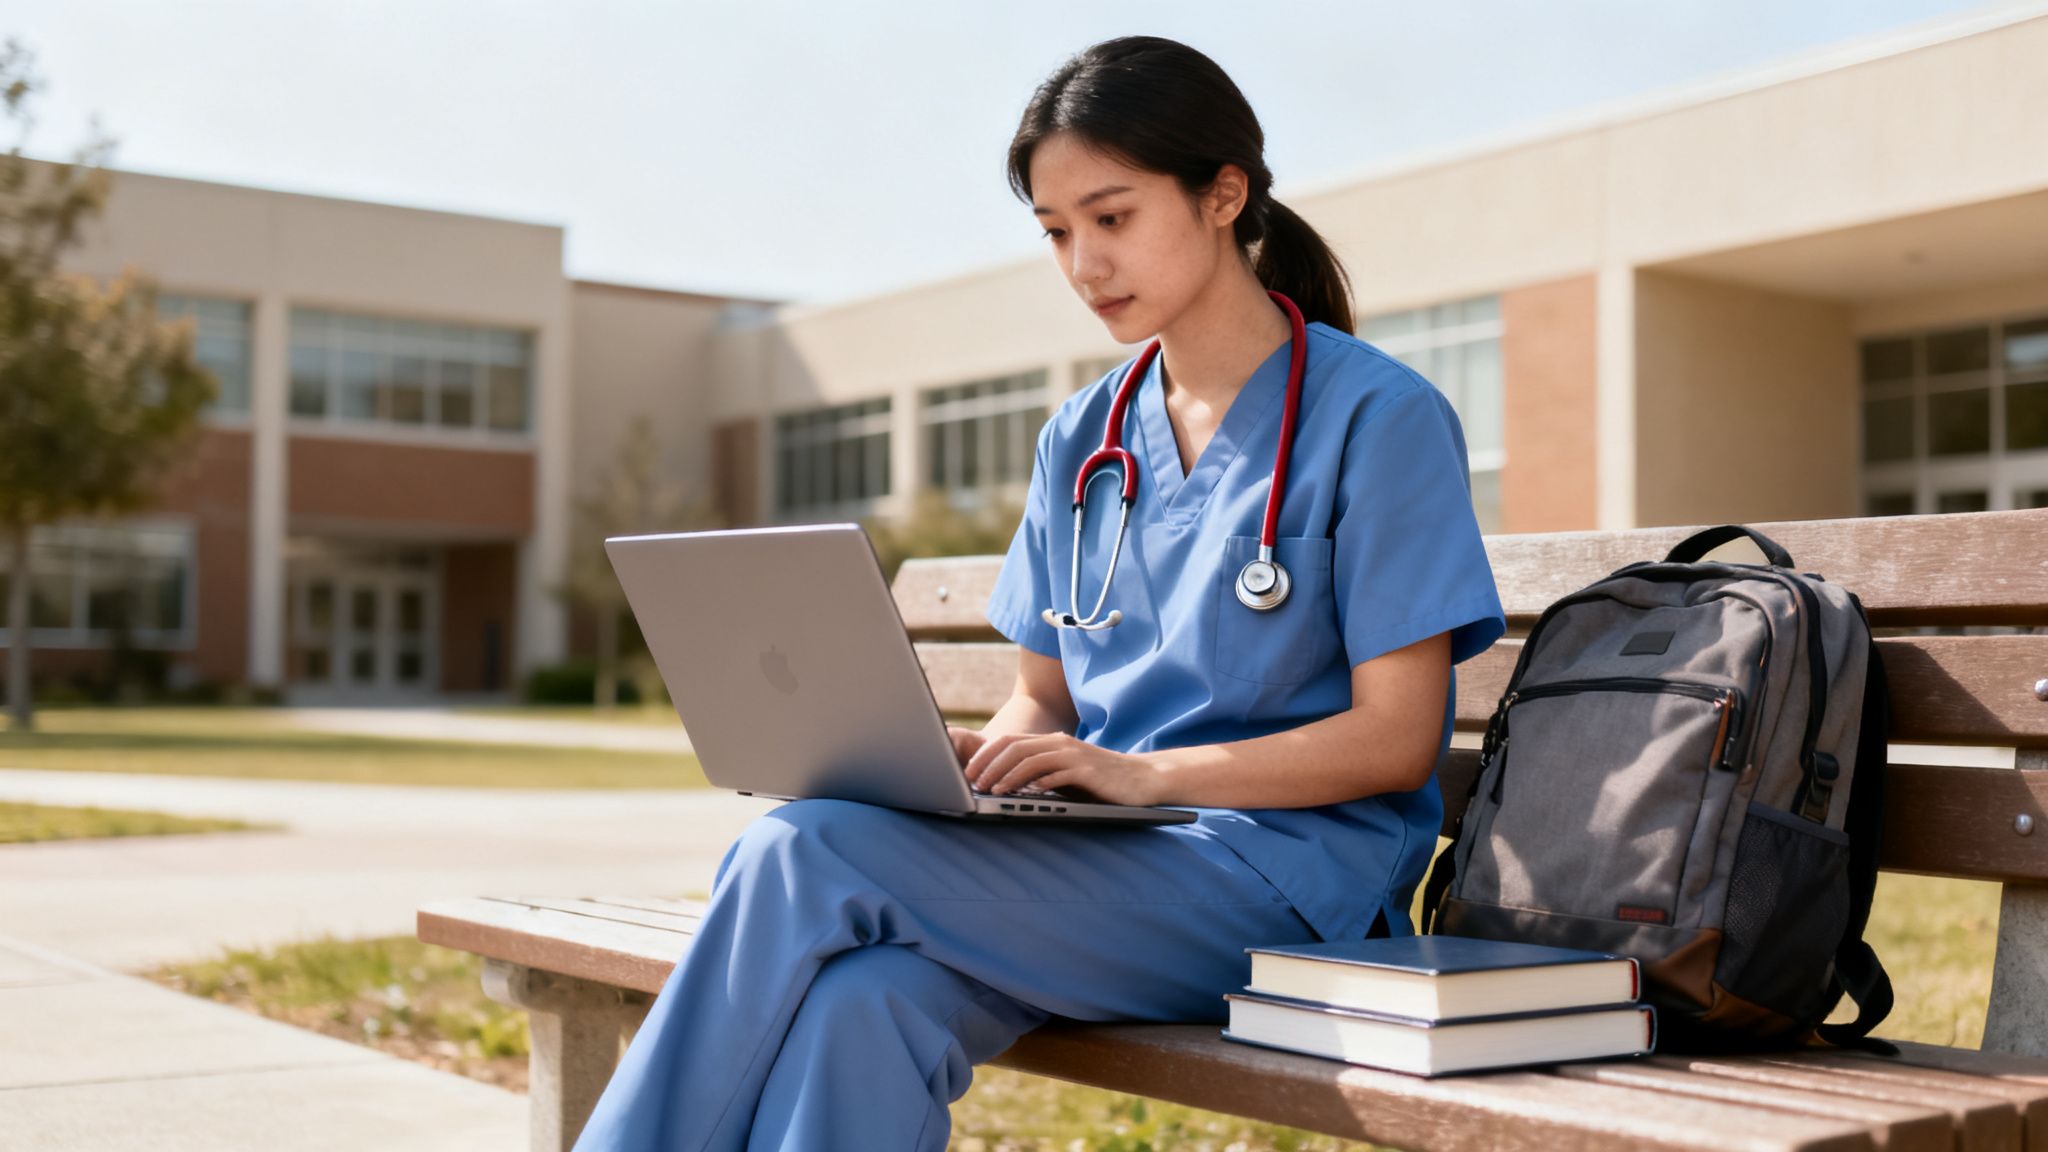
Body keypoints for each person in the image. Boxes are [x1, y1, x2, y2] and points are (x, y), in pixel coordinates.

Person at [572, 34, 1506, 1152]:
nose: (1082, 263)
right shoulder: (1083, 436)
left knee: (801, 849)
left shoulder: (1379, 419)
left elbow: (1396, 741)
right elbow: (1043, 699)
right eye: (1057, 232)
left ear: (1223, 195)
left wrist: (1139, 771)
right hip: (1100, 864)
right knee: (860, 1004)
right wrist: (973, 769)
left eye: (1110, 219)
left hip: (1278, 884)